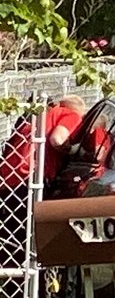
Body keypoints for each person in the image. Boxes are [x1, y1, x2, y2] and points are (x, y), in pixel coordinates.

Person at [1, 95, 86, 265]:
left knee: (9, 237)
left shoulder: (38, 116)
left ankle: (12, 279)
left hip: (7, 179)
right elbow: (57, 139)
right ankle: (29, 282)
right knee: (27, 238)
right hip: (30, 178)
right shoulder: (71, 115)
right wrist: (73, 151)